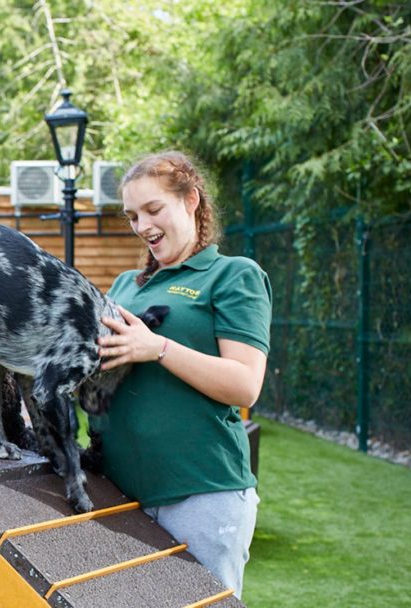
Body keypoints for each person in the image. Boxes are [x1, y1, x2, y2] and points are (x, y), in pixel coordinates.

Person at [91, 151, 271, 598]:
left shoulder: (233, 276)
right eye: (133, 216)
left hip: (201, 493)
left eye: (154, 209)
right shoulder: (125, 287)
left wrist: (159, 348)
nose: (142, 225)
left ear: (191, 200)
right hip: (117, 493)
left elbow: (245, 384)